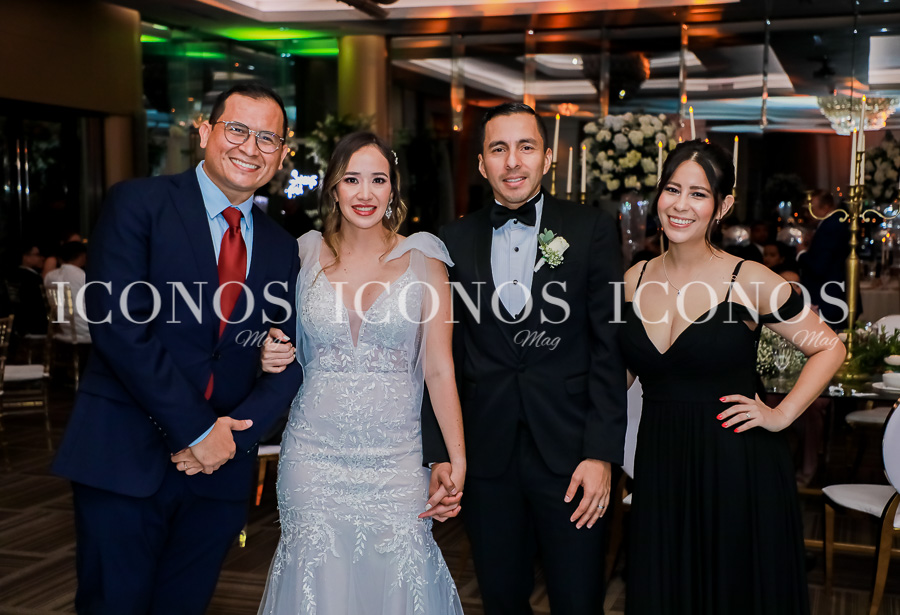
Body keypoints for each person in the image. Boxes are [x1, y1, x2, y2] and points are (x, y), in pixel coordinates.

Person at [51, 83, 303, 615]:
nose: (250, 148)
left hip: (218, 473)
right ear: (205, 132)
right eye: (237, 130)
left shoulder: (282, 247)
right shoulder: (138, 203)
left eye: (267, 138)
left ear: (282, 154)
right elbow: (120, 329)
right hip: (124, 455)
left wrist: (234, 437)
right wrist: (199, 431)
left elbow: (289, 356)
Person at [619, 140, 845, 614]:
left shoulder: (750, 279)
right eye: (672, 189)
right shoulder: (634, 278)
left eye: (698, 194)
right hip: (660, 462)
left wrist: (782, 414)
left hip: (736, 463)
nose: (681, 205)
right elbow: (621, 375)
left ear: (722, 206)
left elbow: (829, 346)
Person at [424, 102, 627, 614]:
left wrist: (602, 454)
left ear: (547, 158)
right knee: (500, 598)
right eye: (499, 149)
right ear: (481, 163)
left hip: (572, 452)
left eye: (526, 147)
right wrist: (441, 452)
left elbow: (609, 348)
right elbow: (440, 356)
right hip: (486, 452)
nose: (512, 161)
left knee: (578, 599)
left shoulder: (591, 229)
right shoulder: (452, 239)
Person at [256, 132, 465, 614]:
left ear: (393, 189)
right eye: (352, 179)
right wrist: (264, 352)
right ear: (333, 187)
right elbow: (269, 334)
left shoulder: (425, 260)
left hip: (398, 458)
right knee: (316, 586)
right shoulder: (302, 253)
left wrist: (455, 458)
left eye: (378, 180)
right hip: (312, 457)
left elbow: (439, 369)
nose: (365, 193)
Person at [798, 189, 850, 327]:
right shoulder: (831, 224)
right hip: (830, 296)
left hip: (827, 298)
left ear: (826, 207)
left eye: (811, 209)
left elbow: (819, 267)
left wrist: (801, 253)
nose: (807, 214)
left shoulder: (830, 227)